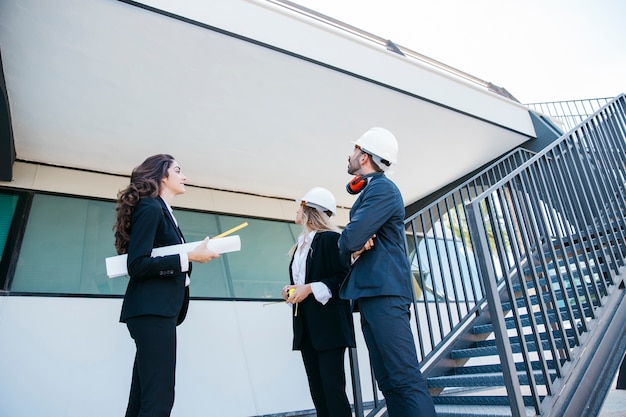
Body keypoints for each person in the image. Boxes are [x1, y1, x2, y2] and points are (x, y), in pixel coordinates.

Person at [338, 128, 437, 417]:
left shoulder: (381, 189)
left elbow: (349, 239)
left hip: (386, 293)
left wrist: (354, 242)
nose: (350, 154)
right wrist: (356, 242)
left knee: (404, 377)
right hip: (372, 295)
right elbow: (354, 240)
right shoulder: (371, 190)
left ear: (365, 156)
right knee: (389, 382)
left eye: (355, 149)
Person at [113, 154, 220, 417]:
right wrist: (189, 257)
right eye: (178, 170)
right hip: (153, 311)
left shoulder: (162, 210)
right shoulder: (150, 208)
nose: (184, 177)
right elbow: (136, 264)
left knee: (143, 397)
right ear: (162, 175)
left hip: (156, 312)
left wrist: (190, 255)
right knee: (158, 399)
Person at [283, 187, 356, 417]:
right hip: (306, 328)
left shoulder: (332, 239)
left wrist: (310, 288)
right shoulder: (300, 245)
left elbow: (343, 276)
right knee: (317, 391)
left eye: (300, 206)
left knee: (333, 390)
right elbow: (304, 282)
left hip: (329, 328)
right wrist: (292, 290)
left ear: (310, 210)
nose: (297, 210)